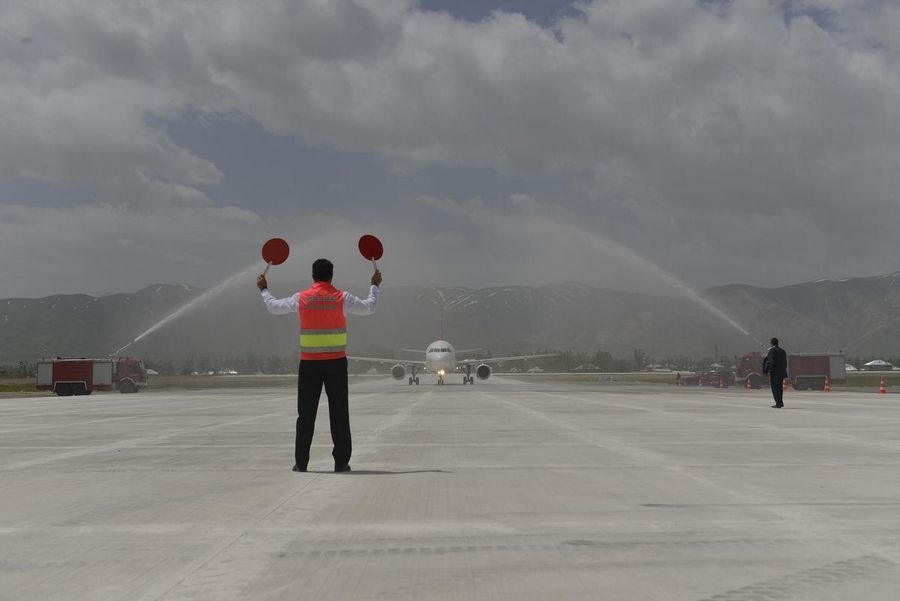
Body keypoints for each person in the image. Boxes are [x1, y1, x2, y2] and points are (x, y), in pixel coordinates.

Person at [257, 258, 381, 472]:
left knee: (305, 415)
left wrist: (264, 289)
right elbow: (369, 307)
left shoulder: (302, 298)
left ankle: (301, 462)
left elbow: (273, 307)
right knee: (339, 414)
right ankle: (341, 462)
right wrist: (375, 286)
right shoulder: (342, 298)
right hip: (336, 363)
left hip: (309, 364)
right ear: (331, 275)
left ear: (312, 276)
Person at [762, 337, 788, 408]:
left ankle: (778, 403)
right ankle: (780, 402)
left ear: (771, 343)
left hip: (775, 373)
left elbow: (770, 362)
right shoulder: (783, 351)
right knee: (780, 388)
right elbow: (785, 362)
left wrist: (767, 370)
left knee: (775, 388)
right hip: (781, 373)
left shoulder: (772, 351)